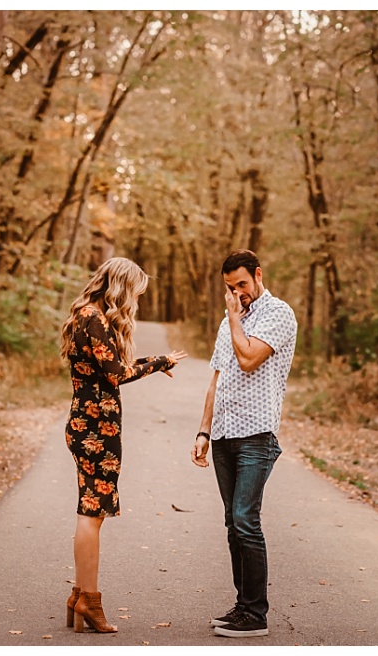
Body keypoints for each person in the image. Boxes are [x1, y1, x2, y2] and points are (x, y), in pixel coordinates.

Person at [60, 257, 187, 633]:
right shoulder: (94, 318)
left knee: (91, 510)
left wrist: (155, 361)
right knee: (91, 512)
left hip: (92, 423)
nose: (135, 301)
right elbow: (117, 374)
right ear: (121, 287)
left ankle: (79, 594)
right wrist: (160, 361)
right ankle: (89, 601)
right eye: (135, 292)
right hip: (95, 428)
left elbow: (113, 366)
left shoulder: (87, 315)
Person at [191, 249, 297, 638]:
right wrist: (204, 431)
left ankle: (256, 614)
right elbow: (217, 379)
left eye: (241, 285)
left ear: (258, 275)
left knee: (245, 520)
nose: (237, 293)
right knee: (232, 524)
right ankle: (242, 607)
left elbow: (249, 358)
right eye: (229, 288)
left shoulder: (278, 313)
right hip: (223, 435)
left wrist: (235, 318)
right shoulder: (228, 323)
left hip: (257, 434)